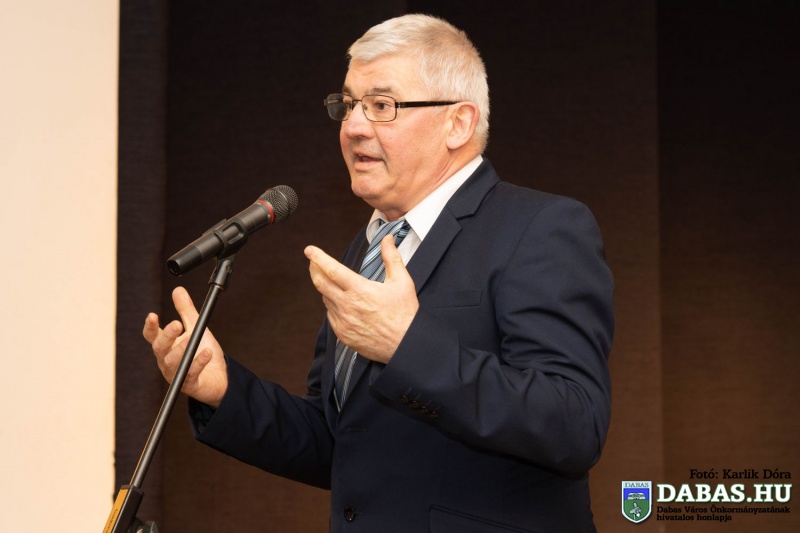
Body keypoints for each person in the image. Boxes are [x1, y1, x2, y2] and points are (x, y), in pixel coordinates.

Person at [144, 13, 614, 532]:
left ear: (458, 123)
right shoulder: (368, 248)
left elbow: (574, 424)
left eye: (382, 105)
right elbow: (340, 441)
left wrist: (407, 345)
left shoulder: (539, 227)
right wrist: (224, 391)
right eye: (348, 105)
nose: (353, 126)